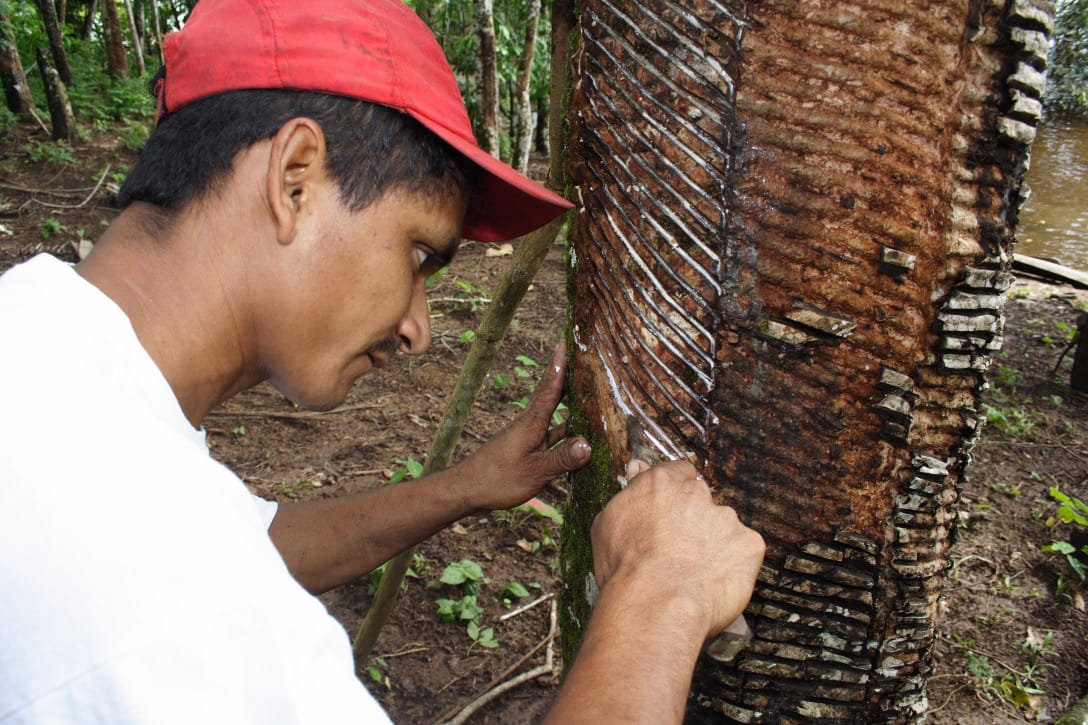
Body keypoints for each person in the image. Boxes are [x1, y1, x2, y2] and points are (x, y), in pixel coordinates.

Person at [0, 0, 765, 722]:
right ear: (294, 177)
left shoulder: (44, 349)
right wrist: (662, 590)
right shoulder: (176, 603)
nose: (417, 329)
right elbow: (202, 580)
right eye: (420, 254)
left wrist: (467, 488)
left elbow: (252, 541)